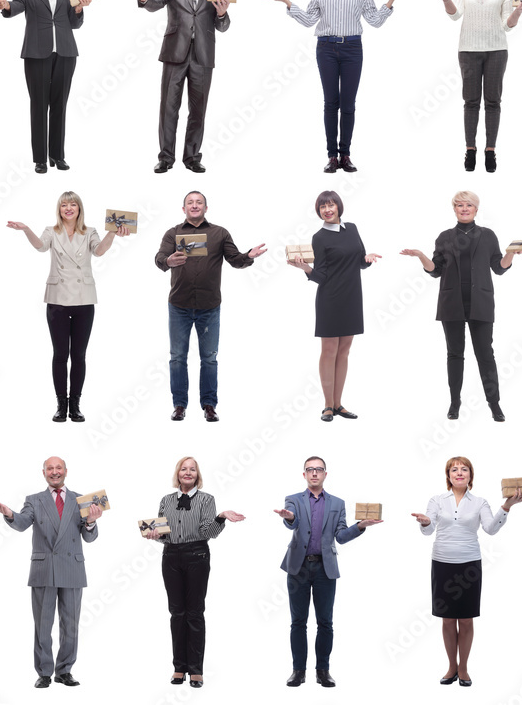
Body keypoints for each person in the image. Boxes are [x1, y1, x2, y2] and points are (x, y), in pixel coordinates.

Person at [265, 0, 401, 173]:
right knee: (331, 103)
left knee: (348, 105)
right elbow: (309, 20)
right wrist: (288, 3)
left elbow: (376, 21)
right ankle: (332, 157)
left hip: (352, 49)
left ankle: (345, 155)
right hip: (326, 48)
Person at [400, 190, 522, 422]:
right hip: (452, 305)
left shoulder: (488, 235)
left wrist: (510, 254)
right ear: (454, 209)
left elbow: (499, 267)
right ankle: (455, 402)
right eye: (459, 205)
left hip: (481, 304)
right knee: (454, 355)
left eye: (468, 205)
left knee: (485, 355)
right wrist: (420, 256)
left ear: (476, 209)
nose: (464, 209)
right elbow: (435, 270)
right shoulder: (445, 237)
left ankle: (494, 404)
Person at [7, 192, 129, 422]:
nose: (68, 208)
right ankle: (61, 405)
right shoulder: (51, 231)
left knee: (79, 355)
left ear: (79, 208)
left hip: (84, 299)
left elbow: (100, 251)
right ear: (59, 209)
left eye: (73, 204)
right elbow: (40, 246)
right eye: (64, 205)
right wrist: (26, 229)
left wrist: (112, 232)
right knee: (60, 354)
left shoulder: (90, 231)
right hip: (57, 300)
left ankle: (76, 405)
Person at [412, 456, 522, 687]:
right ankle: (451, 667)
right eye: (454, 469)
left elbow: (490, 529)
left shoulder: (480, 502)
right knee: (447, 619)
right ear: (448, 475)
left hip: (469, 566)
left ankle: (463, 668)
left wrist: (506, 506)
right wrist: (425, 522)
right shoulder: (437, 500)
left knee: (465, 619)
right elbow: (428, 531)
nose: (459, 473)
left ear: (470, 475)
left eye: (464, 469)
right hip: (442, 563)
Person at [154, 191, 266, 422]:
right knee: (177, 357)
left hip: (209, 307)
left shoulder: (219, 233)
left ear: (206, 208)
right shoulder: (173, 233)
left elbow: (235, 260)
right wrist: (168, 261)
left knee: (209, 358)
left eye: (199, 202)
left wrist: (249, 255)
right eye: (190, 203)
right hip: (179, 306)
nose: (195, 206)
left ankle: (209, 405)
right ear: (183, 209)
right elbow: (159, 258)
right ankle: (179, 405)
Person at [0, 456, 102, 688]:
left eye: (58, 468)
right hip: (44, 568)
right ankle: (44, 672)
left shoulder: (80, 500)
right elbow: (22, 523)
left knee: (70, 624)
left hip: (72, 567)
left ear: (66, 471)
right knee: (42, 624)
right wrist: (10, 514)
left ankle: (64, 671)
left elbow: (89, 537)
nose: (54, 472)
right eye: (50, 468)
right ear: (43, 473)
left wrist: (91, 521)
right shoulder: (34, 500)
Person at [275, 456, 380, 688]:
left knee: (325, 622)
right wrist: (289, 517)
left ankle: (323, 671)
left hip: (325, 568)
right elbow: (292, 521)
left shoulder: (337, 503)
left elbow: (341, 537)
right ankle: (298, 671)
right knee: (298, 622)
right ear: (304, 474)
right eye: (310, 470)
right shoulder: (292, 500)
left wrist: (360, 526)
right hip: (298, 567)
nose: (314, 473)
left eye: (318, 470)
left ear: (325, 474)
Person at [127, 0, 230, 173]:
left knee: (198, 110)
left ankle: (192, 157)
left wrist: (222, 13)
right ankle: (166, 158)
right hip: (175, 53)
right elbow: (155, 3)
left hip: (203, 55)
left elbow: (223, 26)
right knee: (169, 107)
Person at [144, 457, 244, 688]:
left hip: (197, 555)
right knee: (177, 613)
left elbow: (208, 532)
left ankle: (196, 670)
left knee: (195, 613)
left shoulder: (207, 499)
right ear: (177, 473)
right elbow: (165, 534)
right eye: (183, 469)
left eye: (192, 469)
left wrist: (221, 517)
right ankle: (179, 667)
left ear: (197, 474)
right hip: (171, 556)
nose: (187, 472)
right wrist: (155, 535)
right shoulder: (166, 500)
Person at [428, 0, 522, 172]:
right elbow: (455, 16)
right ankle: (470, 150)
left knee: (493, 101)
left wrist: (519, 11)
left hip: (496, 50)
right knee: (471, 102)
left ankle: (490, 151)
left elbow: (507, 25)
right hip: (469, 50)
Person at [0, 0, 90, 173]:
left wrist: (79, 9)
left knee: (60, 105)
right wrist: (6, 5)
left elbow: (74, 23)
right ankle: (40, 159)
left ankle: (57, 156)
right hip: (36, 53)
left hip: (66, 52)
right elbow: (15, 7)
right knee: (39, 105)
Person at [288, 191, 381, 421]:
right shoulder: (319, 237)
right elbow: (320, 276)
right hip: (330, 298)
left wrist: (367, 259)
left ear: (339, 207)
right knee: (329, 351)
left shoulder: (353, 228)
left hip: (352, 297)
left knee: (345, 351)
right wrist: (305, 268)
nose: (327, 210)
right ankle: (328, 405)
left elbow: (359, 261)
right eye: (322, 207)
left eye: (331, 205)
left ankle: (339, 404)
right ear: (318, 211)